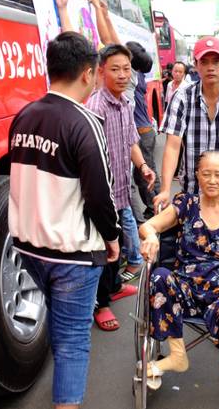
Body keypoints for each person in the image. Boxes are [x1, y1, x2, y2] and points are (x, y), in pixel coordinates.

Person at [8, 32, 121, 408]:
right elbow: (100, 194)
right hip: (72, 252)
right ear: (88, 73)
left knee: (61, 324)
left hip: (29, 248)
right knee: (73, 337)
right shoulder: (84, 122)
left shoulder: (24, 115)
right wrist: (113, 237)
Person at [139, 151, 219, 409]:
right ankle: (178, 355)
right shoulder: (186, 204)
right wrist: (151, 237)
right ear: (197, 176)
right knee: (159, 276)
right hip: (185, 291)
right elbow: (149, 226)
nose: (212, 180)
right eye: (206, 174)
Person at [85, 44, 156, 323]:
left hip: (121, 190)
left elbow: (131, 142)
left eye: (126, 69)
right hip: (102, 192)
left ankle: (114, 288)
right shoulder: (95, 106)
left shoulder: (126, 103)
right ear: (101, 72)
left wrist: (143, 166)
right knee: (104, 247)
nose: (122, 75)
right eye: (115, 69)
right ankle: (101, 305)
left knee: (117, 244)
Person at [153, 36, 219, 210]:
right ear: (196, 65)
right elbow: (172, 146)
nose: (211, 67)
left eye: (216, 61)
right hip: (192, 191)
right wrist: (165, 190)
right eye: (204, 61)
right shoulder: (182, 97)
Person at [125, 41, 161, 227]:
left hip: (143, 133)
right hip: (146, 132)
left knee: (145, 175)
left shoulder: (131, 76)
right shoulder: (138, 77)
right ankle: (155, 207)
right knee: (145, 174)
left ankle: (157, 208)